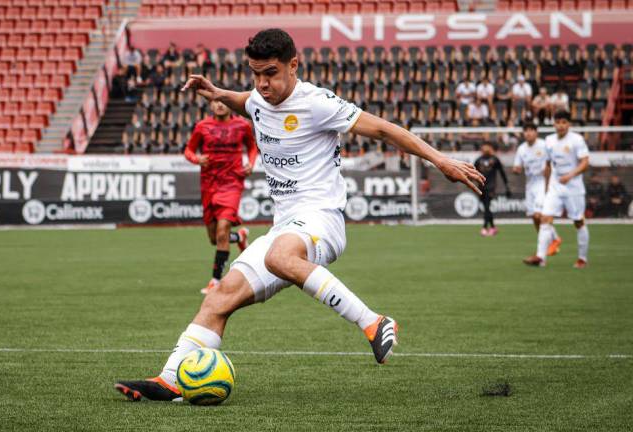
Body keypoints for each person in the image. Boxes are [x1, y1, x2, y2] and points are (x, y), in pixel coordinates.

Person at [113, 28, 484, 402]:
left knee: (279, 257)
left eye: (270, 73)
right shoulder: (259, 99)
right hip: (285, 225)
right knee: (219, 297)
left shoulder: (318, 104)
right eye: (255, 74)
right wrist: (219, 92)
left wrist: (441, 160)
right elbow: (248, 102)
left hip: (322, 218)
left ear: (294, 65)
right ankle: (171, 379)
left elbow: (385, 130)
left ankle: (373, 321)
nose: (262, 83)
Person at [184, 99, 258, 294]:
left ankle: (215, 281)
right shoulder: (202, 126)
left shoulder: (242, 125)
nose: (219, 105)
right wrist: (196, 159)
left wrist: (250, 163)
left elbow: (252, 147)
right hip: (209, 184)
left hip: (232, 182)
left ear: (229, 105)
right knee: (214, 238)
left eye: (223, 101)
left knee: (223, 229)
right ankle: (240, 236)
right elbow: (188, 150)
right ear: (210, 105)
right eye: (215, 102)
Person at [524, 110, 590, 268]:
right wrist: (547, 188)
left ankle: (582, 259)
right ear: (553, 124)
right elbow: (547, 165)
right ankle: (541, 257)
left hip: (573, 187)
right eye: (558, 122)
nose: (560, 125)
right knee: (545, 219)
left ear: (569, 124)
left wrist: (570, 175)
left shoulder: (577, 140)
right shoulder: (549, 140)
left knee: (578, 222)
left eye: (564, 122)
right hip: (555, 186)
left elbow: (585, 162)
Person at [513, 123, 561, 253]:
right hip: (530, 184)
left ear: (536, 132)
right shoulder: (521, 149)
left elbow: (552, 163)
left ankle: (554, 240)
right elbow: (517, 166)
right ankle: (549, 242)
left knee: (539, 214)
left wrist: (549, 184)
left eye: (531, 130)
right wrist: (516, 169)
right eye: (526, 131)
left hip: (543, 182)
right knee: (534, 217)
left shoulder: (544, 145)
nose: (528, 133)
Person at [474, 143, 511, 236]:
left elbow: (502, 173)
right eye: (484, 146)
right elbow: (473, 172)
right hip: (481, 187)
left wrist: (507, 187)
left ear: (490, 148)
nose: (485, 148)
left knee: (487, 207)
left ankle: (484, 228)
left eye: (487, 146)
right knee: (486, 207)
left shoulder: (495, 160)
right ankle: (493, 227)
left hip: (491, 187)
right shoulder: (478, 160)